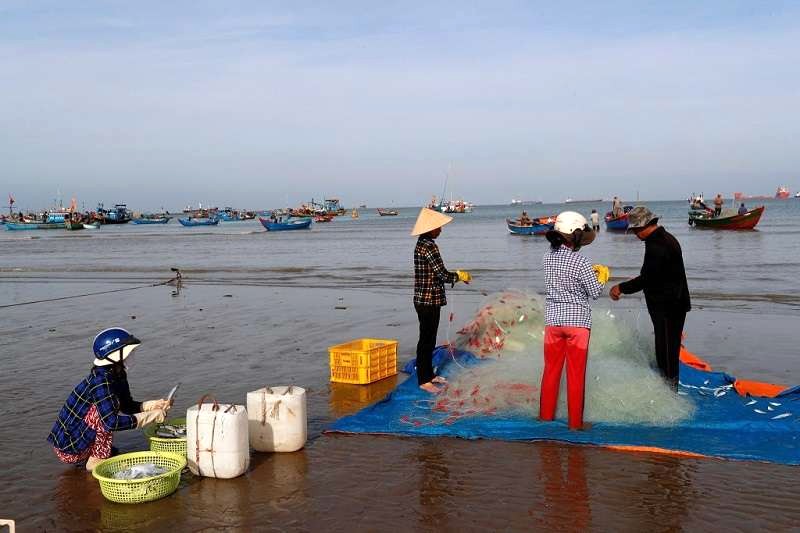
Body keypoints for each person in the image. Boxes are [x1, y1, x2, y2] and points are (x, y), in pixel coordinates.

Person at [47, 328, 171, 471]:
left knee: (110, 410)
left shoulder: (117, 375)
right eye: (129, 353)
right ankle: (95, 463)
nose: (132, 356)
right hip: (69, 448)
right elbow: (110, 423)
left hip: (81, 437)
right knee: (104, 418)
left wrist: (152, 406)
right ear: (114, 356)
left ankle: (96, 452)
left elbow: (127, 406)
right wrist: (150, 417)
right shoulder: (101, 381)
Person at [540, 212, 609, 430]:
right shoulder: (580, 261)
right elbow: (595, 292)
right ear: (575, 235)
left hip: (553, 322)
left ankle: (545, 418)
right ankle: (575, 424)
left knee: (551, 372)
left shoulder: (547, 257)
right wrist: (602, 277)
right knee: (575, 375)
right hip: (578, 324)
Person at [609, 207, 690, 390]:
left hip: (669, 306)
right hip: (671, 303)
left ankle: (670, 394)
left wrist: (620, 288)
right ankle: (669, 388)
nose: (636, 234)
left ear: (646, 225)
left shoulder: (657, 244)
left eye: (636, 230)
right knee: (665, 349)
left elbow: (648, 278)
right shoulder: (664, 238)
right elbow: (657, 274)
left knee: (666, 353)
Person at [411, 208, 472, 394]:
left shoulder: (422, 243)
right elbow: (443, 274)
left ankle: (429, 374)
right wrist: (460, 276)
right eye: (438, 227)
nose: (440, 230)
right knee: (426, 340)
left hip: (425, 299)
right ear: (430, 229)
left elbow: (436, 273)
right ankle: (424, 379)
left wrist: (456, 276)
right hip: (427, 301)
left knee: (429, 339)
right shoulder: (429, 246)